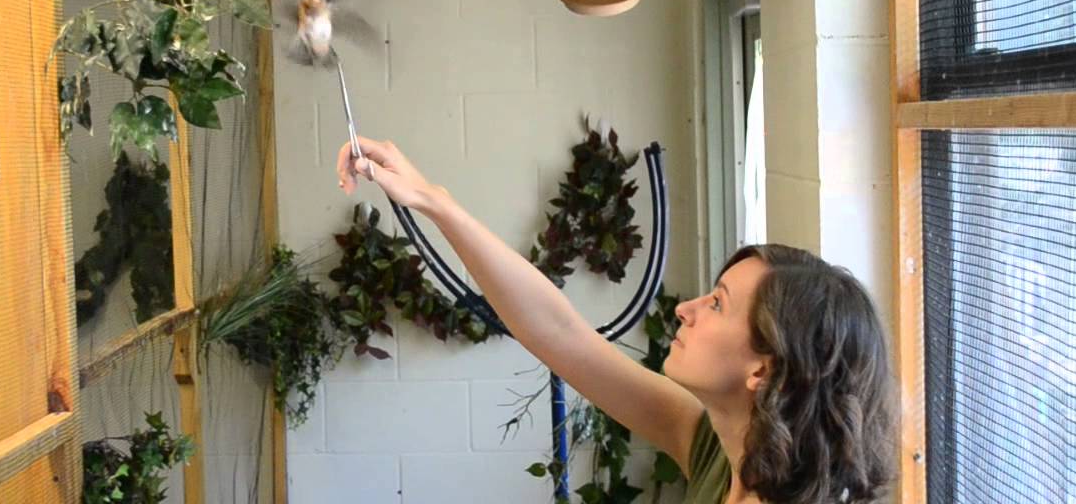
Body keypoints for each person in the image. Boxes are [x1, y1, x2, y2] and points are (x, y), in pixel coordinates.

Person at [336, 136, 897, 504]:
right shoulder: (717, 449)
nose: (686, 308)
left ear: (762, 369)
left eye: (718, 303)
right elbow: (559, 334)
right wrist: (435, 202)